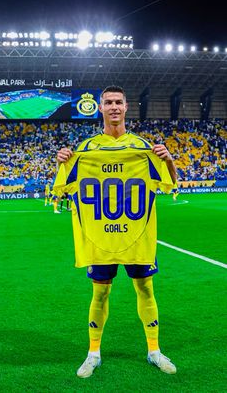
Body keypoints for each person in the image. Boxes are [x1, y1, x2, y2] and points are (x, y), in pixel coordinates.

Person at [57, 85, 177, 377]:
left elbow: (171, 184)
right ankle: (93, 353)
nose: (113, 106)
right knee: (99, 294)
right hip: (101, 236)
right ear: (100, 108)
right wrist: (62, 161)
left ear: (126, 107)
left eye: (118, 102)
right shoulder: (84, 150)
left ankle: (154, 351)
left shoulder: (143, 148)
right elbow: (62, 190)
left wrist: (169, 160)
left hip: (136, 233)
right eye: (108, 102)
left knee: (146, 288)